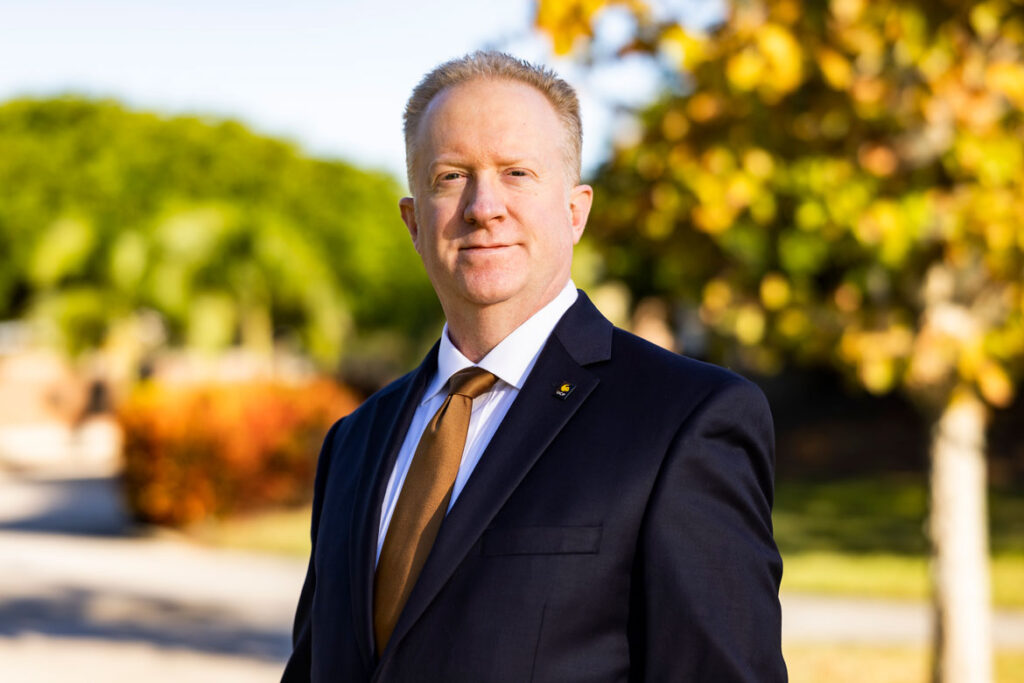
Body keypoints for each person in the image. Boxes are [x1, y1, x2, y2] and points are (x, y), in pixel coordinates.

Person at [282, 51, 786, 682]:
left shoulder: (684, 423)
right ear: (413, 221)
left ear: (576, 211)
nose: (482, 206)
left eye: (517, 172)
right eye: (450, 176)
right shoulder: (354, 443)